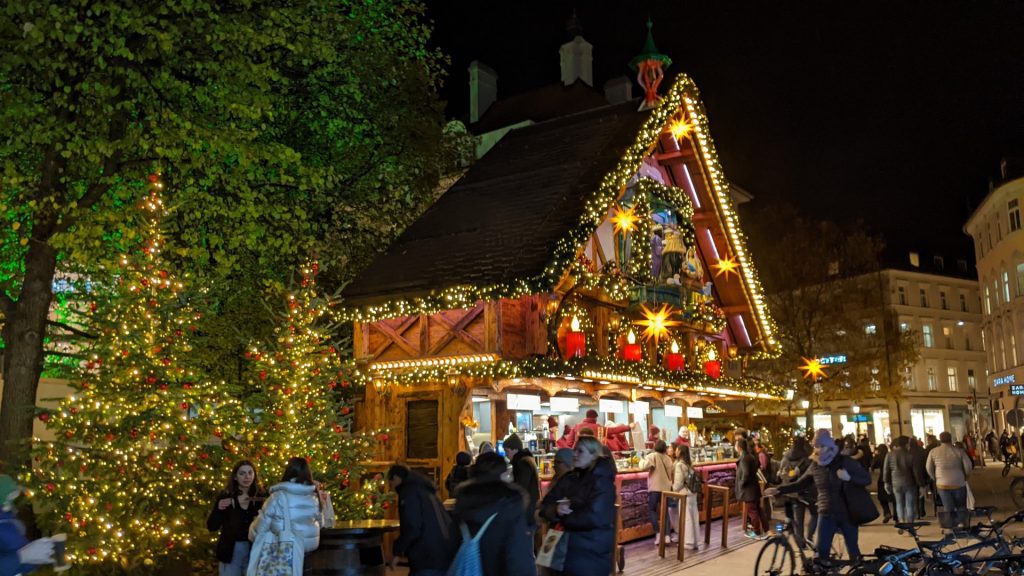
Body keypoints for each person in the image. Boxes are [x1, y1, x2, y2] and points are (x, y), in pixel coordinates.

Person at [767, 429, 870, 565]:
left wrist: (849, 477)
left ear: (829, 446)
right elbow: (801, 483)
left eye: (821, 446)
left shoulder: (844, 461)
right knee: (821, 555)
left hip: (847, 514)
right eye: (816, 446)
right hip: (825, 512)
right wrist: (779, 489)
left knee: (854, 553)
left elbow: (866, 479)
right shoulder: (815, 464)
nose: (818, 450)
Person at [539, 436, 617, 576]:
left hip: (589, 554)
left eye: (580, 451)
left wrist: (564, 518)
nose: (574, 454)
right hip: (561, 553)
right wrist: (555, 510)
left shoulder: (602, 481)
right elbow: (544, 506)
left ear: (593, 455)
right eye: (574, 450)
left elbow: (596, 517)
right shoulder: (569, 478)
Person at [451, 452, 536, 576]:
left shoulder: (463, 499)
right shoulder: (511, 502)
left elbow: (451, 544)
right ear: (502, 474)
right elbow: (518, 555)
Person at [247, 457, 322, 576]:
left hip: (285, 551)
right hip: (308, 552)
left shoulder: (278, 496)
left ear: (288, 471)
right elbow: (319, 522)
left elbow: (261, 525)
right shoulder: (314, 496)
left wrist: (252, 534)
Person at [386, 464, 454, 575]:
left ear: (396, 478)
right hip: (440, 551)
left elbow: (412, 526)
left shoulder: (409, 492)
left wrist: (397, 551)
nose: (392, 488)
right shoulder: (424, 489)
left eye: (391, 483)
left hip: (426, 554)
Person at [208, 460, 267, 576]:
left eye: (250, 473)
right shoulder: (226, 496)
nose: (247, 477)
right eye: (242, 473)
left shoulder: (261, 496)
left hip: (255, 549)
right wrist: (219, 510)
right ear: (235, 477)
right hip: (231, 550)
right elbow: (211, 526)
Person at [0, 474, 55, 576]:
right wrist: (22, 556)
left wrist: (36, 556)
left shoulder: (9, 519)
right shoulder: (4, 524)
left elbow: (20, 551)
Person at [926, 431, 973, 527]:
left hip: (942, 484)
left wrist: (935, 478)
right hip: (958, 482)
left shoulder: (933, 452)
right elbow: (968, 466)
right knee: (961, 506)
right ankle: (963, 525)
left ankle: (950, 527)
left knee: (948, 507)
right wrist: (966, 476)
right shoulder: (959, 451)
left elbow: (928, 467)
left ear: (940, 439)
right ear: (950, 439)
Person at [778, 435, 816, 550]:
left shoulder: (786, 457)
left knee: (797, 520)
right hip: (807, 492)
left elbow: (781, 474)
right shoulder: (807, 456)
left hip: (791, 492)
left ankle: (801, 543)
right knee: (816, 514)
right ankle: (809, 537)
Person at [503, 434, 540, 538]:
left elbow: (521, 486)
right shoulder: (526, 459)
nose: (506, 454)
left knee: (526, 540)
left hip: (527, 508)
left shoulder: (522, 463)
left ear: (515, 449)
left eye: (507, 451)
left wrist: (508, 485)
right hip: (530, 505)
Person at [642, 440, 675, 545]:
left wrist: (642, 458)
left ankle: (658, 533)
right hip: (666, 488)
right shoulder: (668, 459)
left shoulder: (652, 456)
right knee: (665, 512)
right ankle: (667, 536)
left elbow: (642, 466)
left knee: (652, 510)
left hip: (655, 488)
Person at [735, 437, 767, 537]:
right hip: (754, 487)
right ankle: (766, 529)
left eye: (736, 445)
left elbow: (746, 474)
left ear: (739, 447)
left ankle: (756, 532)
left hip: (748, 490)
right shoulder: (751, 456)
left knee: (752, 511)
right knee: (758, 508)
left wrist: (741, 484)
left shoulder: (744, 458)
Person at [672, 445, 701, 551]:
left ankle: (688, 542)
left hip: (684, 494)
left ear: (679, 451)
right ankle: (696, 541)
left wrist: (673, 490)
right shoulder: (690, 464)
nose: (675, 451)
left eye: (676, 449)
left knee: (686, 518)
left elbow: (678, 483)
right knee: (694, 517)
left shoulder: (680, 465)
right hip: (693, 493)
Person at [884, 436, 918, 523]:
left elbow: (886, 470)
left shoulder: (889, 454)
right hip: (909, 482)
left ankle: (901, 521)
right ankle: (910, 525)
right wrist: (921, 484)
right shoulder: (910, 455)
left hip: (895, 482)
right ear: (907, 444)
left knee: (899, 503)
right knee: (909, 505)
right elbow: (916, 472)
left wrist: (886, 482)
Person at [870, 444, 893, 523]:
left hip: (882, 479)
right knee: (893, 498)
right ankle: (896, 516)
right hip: (892, 479)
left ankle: (887, 512)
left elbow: (872, 466)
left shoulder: (878, 457)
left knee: (882, 498)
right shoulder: (890, 456)